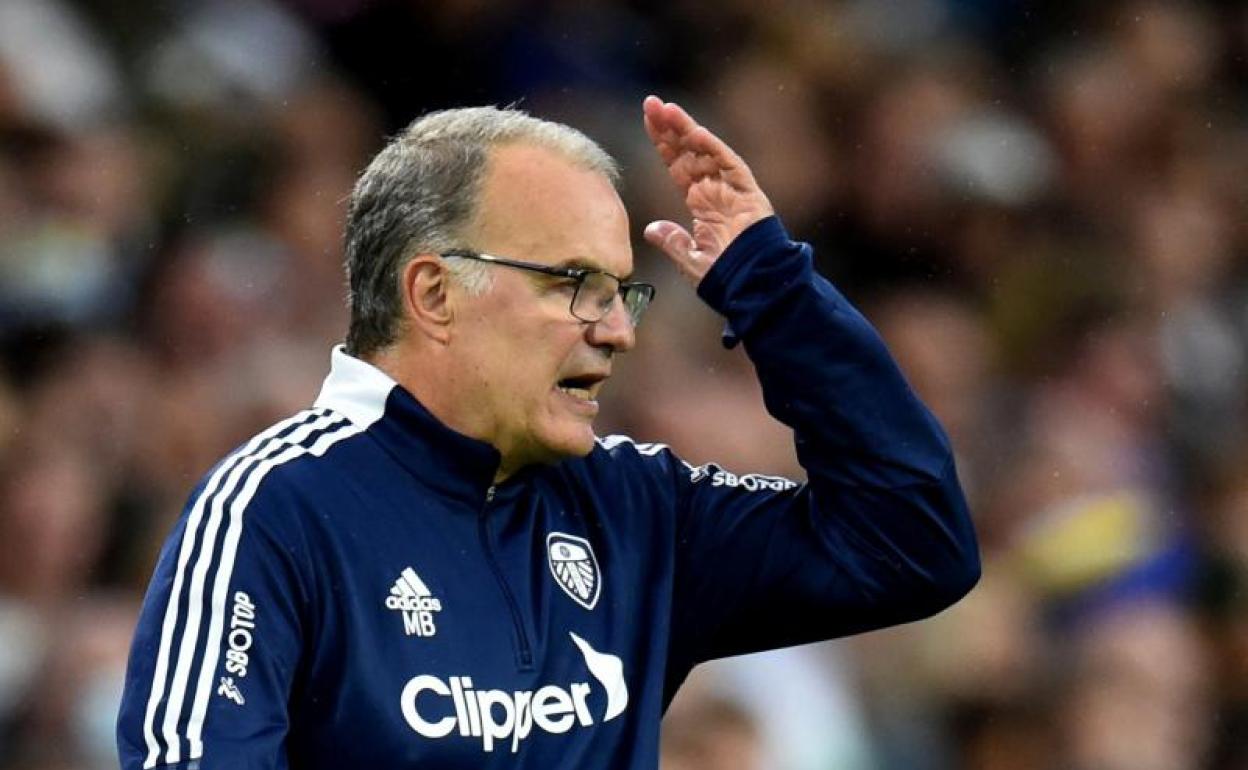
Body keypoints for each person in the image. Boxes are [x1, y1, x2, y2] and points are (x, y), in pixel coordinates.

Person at [116, 96, 980, 769]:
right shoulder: (276, 510)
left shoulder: (636, 511)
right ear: (434, 294)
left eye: (618, 290)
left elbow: (913, 542)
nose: (617, 330)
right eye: (573, 282)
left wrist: (774, 288)